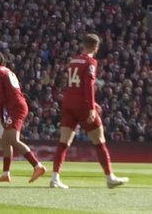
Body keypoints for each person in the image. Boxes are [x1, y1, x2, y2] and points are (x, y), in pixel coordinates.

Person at [49, 34, 128, 189]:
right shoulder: (91, 62)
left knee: (64, 142)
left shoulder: (73, 60)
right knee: (99, 141)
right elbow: (88, 85)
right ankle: (109, 177)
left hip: (68, 102)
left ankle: (55, 178)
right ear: (96, 47)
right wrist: (91, 106)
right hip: (83, 104)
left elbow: (74, 85)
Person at [0, 50, 45, 184]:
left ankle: (37, 166)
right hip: (17, 106)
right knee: (6, 141)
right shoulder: (7, 71)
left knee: (13, 140)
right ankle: (6, 174)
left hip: (16, 108)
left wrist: (1, 117)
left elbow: (0, 99)